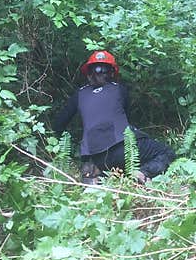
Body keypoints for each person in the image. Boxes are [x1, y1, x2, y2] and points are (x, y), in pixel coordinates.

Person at [52, 50, 175, 185]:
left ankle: (97, 172)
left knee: (112, 161)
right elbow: (126, 120)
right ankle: (141, 173)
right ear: (112, 73)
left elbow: (59, 125)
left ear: (89, 74)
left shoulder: (79, 94)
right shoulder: (120, 89)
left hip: (94, 156)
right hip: (122, 148)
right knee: (166, 152)